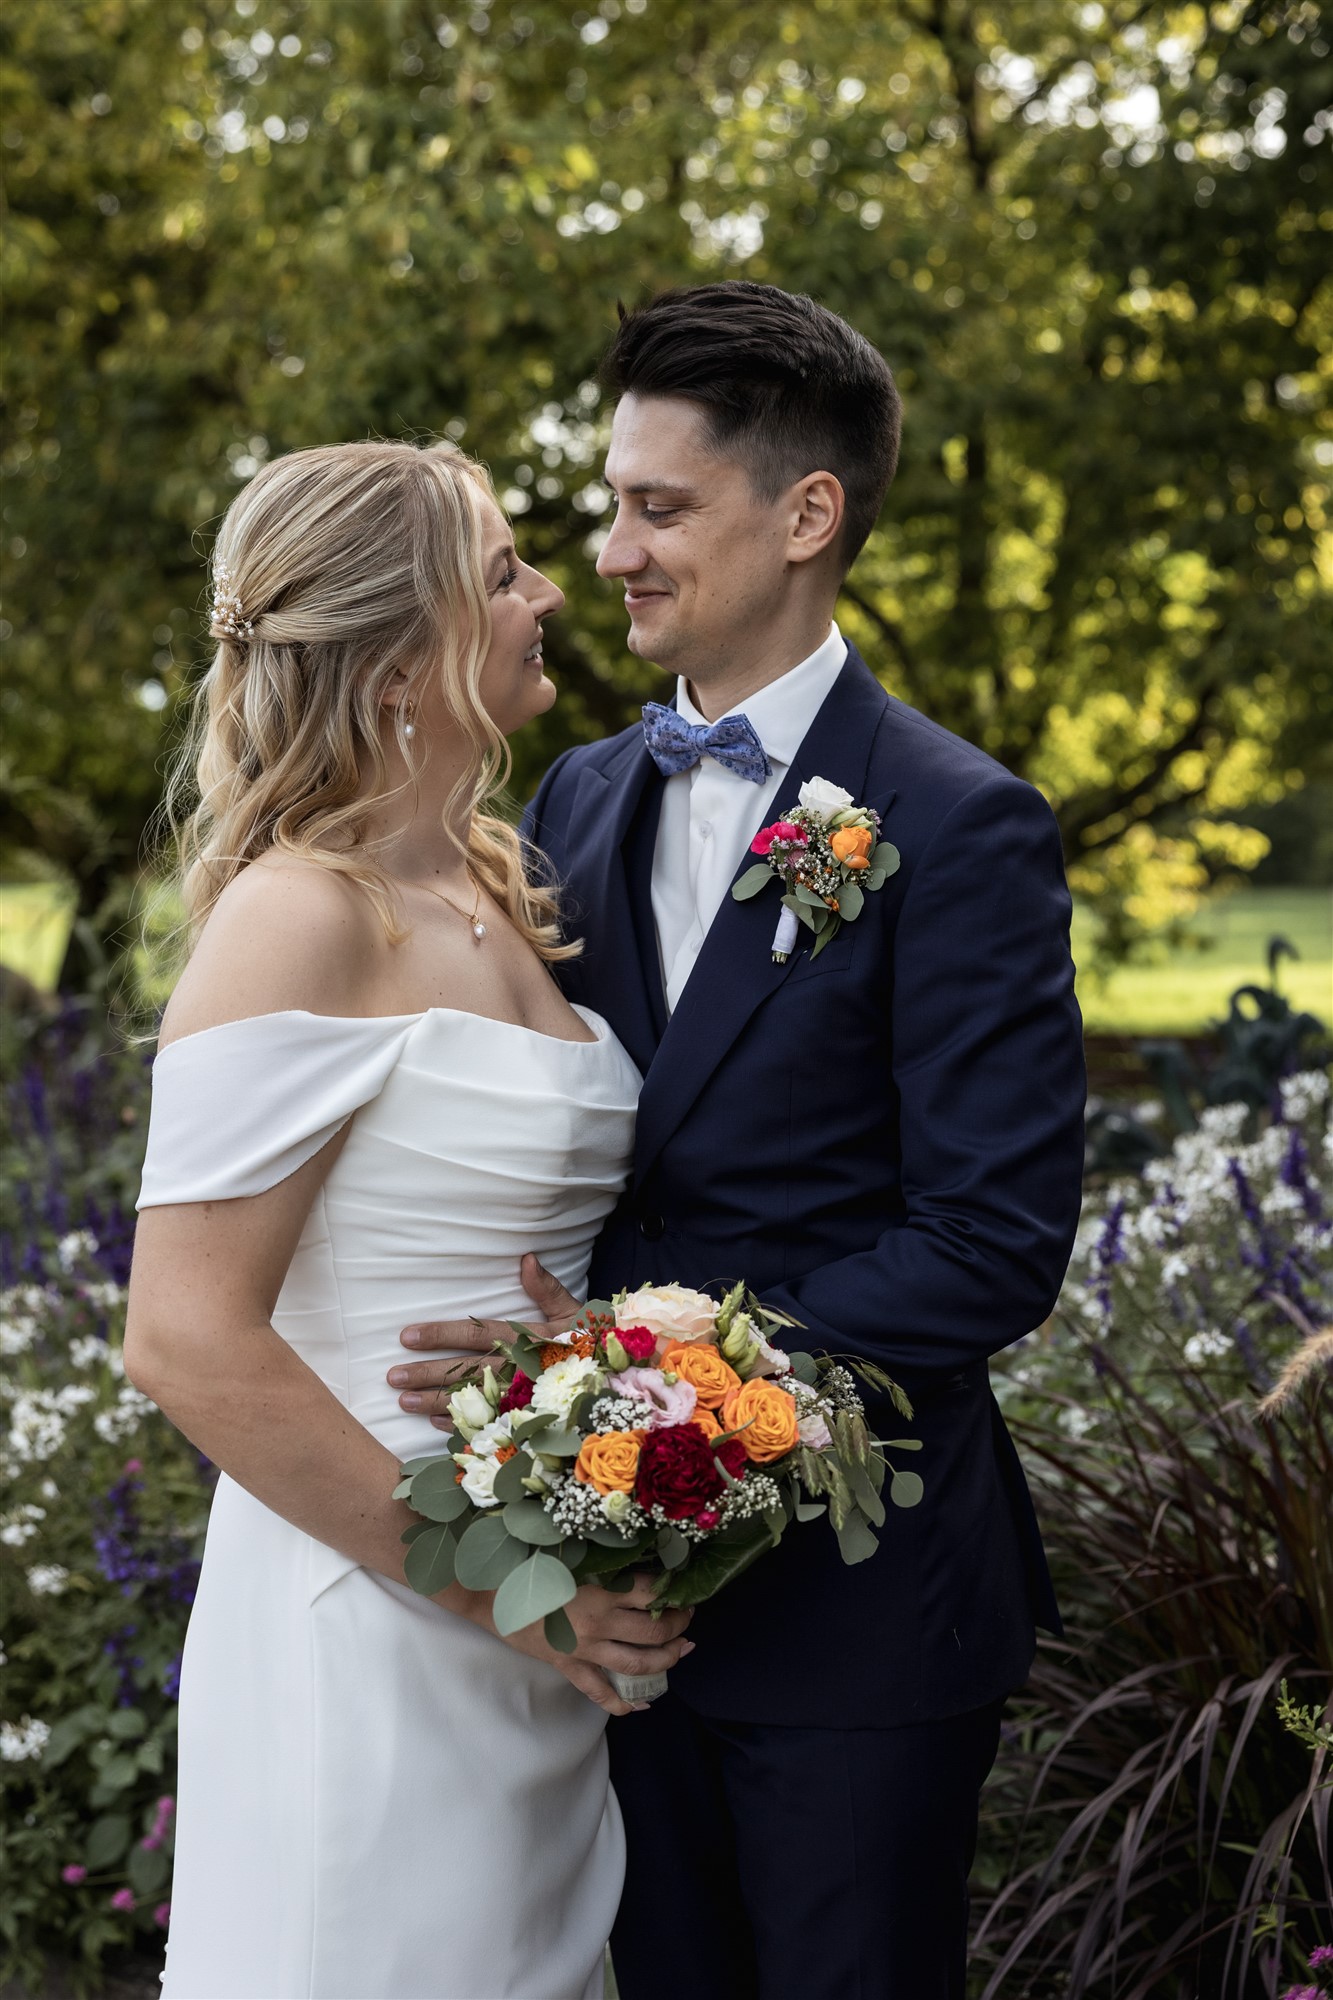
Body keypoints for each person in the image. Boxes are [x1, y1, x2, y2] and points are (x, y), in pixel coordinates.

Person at [387, 283, 1087, 1999]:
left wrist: (645, 1379)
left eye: (657, 507)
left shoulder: (952, 821)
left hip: (858, 1605)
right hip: (615, 1601)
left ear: (806, 514)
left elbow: (991, 1240)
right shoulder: (577, 797)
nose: (608, 551)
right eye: (609, 503)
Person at [123, 438, 694, 2000]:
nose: (547, 594)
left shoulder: (495, 885)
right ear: (396, 655)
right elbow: (182, 1336)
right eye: (503, 568)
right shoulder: (296, 912)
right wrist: (505, 1594)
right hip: (375, 1612)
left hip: (537, 1613)